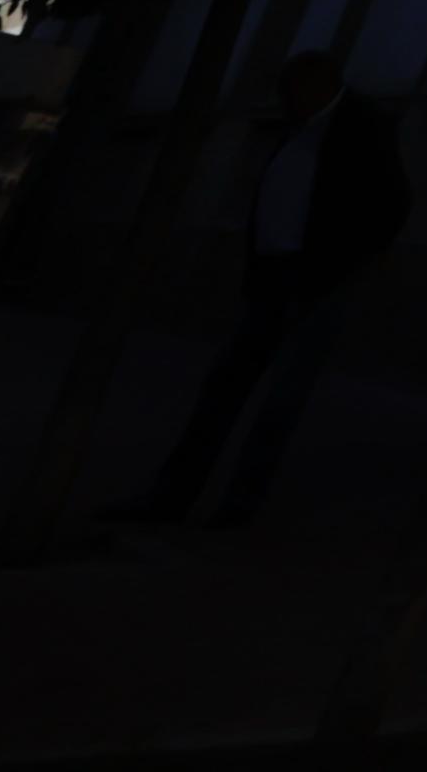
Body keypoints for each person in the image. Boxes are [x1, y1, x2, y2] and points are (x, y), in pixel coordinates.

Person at [128, 43, 412, 525]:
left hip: (315, 281)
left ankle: (234, 503)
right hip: (277, 277)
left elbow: (390, 203)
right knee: (226, 387)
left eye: (291, 90)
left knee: (277, 398)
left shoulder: (361, 126)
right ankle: (176, 494)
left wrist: (338, 266)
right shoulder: (305, 128)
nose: (285, 101)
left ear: (317, 87)